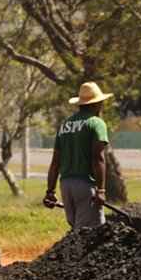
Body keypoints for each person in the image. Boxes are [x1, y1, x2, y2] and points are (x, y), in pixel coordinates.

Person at [43, 82, 113, 230]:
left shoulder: (65, 125)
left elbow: (55, 163)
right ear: (96, 104)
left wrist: (50, 191)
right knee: (91, 234)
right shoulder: (96, 123)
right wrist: (101, 190)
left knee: (77, 231)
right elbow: (98, 158)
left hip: (66, 186)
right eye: (100, 103)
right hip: (85, 185)